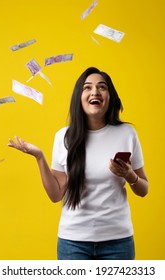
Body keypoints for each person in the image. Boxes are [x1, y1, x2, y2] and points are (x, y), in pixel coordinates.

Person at [8, 67, 148, 260]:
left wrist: (129, 175)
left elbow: (143, 189)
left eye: (102, 87)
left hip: (118, 242)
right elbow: (56, 195)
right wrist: (39, 157)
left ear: (110, 96)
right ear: (79, 97)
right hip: (73, 243)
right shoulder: (63, 137)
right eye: (87, 88)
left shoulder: (127, 133)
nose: (95, 92)